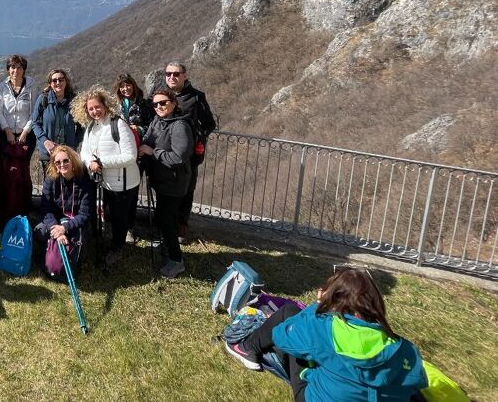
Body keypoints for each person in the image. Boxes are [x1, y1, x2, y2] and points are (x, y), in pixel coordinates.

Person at [226, 268, 427, 402]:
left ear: (334, 298)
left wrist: (317, 307)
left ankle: (244, 347)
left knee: (288, 313)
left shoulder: (325, 328)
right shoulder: (405, 349)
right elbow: (417, 384)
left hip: (314, 397)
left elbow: (281, 336)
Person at [73, 86, 139, 266]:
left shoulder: (118, 124)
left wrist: (101, 163)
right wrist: (89, 164)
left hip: (123, 183)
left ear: (105, 105)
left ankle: (117, 248)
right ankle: (103, 242)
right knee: (106, 215)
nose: (95, 111)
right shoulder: (91, 128)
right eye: (90, 109)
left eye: (97, 107)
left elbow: (130, 156)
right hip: (102, 182)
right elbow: (84, 152)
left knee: (119, 218)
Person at [138, 87, 194, 279]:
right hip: (162, 180)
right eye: (155, 104)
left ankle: (176, 260)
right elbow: (148, 139)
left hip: (174, 183)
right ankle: (168, 247)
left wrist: (152, 152)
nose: (159, 106)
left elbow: (179, 157)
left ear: (174, 103)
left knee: (168, 221)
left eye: (163, 103)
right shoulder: (159, 120)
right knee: (163, 218)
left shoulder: (180, 126)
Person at [158, 61, 216, 243]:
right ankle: (163, 221)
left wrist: (199, 140)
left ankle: (181, 224)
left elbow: (209, 123)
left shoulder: (196, 97)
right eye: (168, 74)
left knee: (186, 187)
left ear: (185, 76)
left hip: (188, 154)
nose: (172, 77)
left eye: (176, 74)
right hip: (164, 151)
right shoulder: (159, 94)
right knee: (163, 186)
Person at [0, 54, 39, 226]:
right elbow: (0, 112)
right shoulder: (2, 87)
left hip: (27, 136)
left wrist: (25, 132)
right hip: (7, 135)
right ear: (8, 69)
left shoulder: (32, 85)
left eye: (19, 67)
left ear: (24, 70)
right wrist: (7, 132)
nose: (15, 71)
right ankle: (3, 210)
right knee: (5, 170)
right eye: (12, 67)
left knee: (22, 172)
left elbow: (35, 111)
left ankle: (22, 208)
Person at [34, 145, 92, 278]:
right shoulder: (51, 180)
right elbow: (46, 209)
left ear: (72, 160)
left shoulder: (84, 180)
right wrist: (57, 232)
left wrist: (65, 228)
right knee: (40, 231)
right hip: (55, 221)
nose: (62, 164)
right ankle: (49, 254)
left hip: (74, 221)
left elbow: (85, 214)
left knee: (79, 238)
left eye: (66, 160)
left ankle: (72, 260)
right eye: (58, 162)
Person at [114, 72, 154, 245]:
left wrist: (138, 129)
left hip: (138, 154)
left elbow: (152, 127)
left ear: (134, 85)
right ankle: (118, 223)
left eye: (128, 85)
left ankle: (129, 227)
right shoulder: (115, 105)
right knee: (118, 189)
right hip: (119, 152)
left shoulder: (144, 104)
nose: (125, 88)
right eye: (122, 86)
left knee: (132, 191)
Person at [31, 68, 82, 177]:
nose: (58, 83)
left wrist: (74, 143)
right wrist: (45, 141)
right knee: (50, 185)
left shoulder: (74, 101)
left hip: (68, 153)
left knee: (68, 183)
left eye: (61, 79)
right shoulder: (43, 99)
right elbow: (35, 123)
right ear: (50, 84)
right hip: (48, 153)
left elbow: (82, 125)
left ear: (66, 81)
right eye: (54, 80)